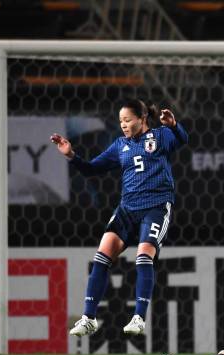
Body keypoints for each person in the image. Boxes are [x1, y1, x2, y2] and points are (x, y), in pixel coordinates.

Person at [50, 99, 188, 336]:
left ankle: (138, 318)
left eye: (127, 120)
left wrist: (174, 125)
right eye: (120, 121)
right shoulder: (120, 145)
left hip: (155, 208)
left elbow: (183, 140)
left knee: (144, 257)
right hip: (126, 210)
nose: (123, 125)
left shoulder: (160, 136)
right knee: (102, 257)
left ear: (142, 118)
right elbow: (92, 169)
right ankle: (89, 318)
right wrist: (71, 155)